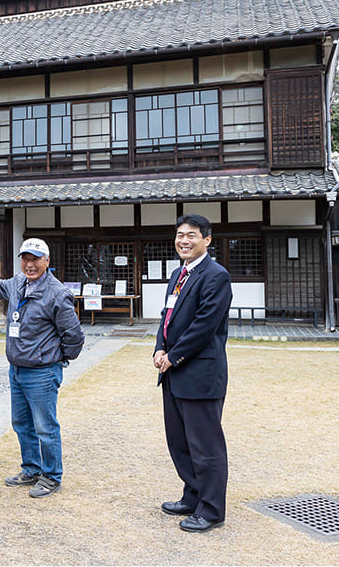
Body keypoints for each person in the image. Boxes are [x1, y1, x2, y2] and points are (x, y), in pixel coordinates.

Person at [0, 238, 84, 498]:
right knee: (22, 423)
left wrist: (57, 359)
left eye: (36, 259)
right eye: (25, 258)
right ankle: (32, 469)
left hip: (42, 372)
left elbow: (74, 336)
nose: (30, 264)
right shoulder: (17, 283)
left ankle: (51, 476)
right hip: (17, 369)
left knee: (45, 426)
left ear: (47, 261)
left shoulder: (57, 293)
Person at [153, 213, 232, 533]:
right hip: (174, 372)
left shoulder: (216, 276)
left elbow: (204, 325)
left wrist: (174, 355)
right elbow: (167, 316)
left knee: (206, 446)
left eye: (192, 235)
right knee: (180, 442)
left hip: (200, 374)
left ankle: (212, 510)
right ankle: (193, 495)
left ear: (207, 240)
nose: (184, 240)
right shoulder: (178, 274)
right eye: (180, 235)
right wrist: (159, 347)